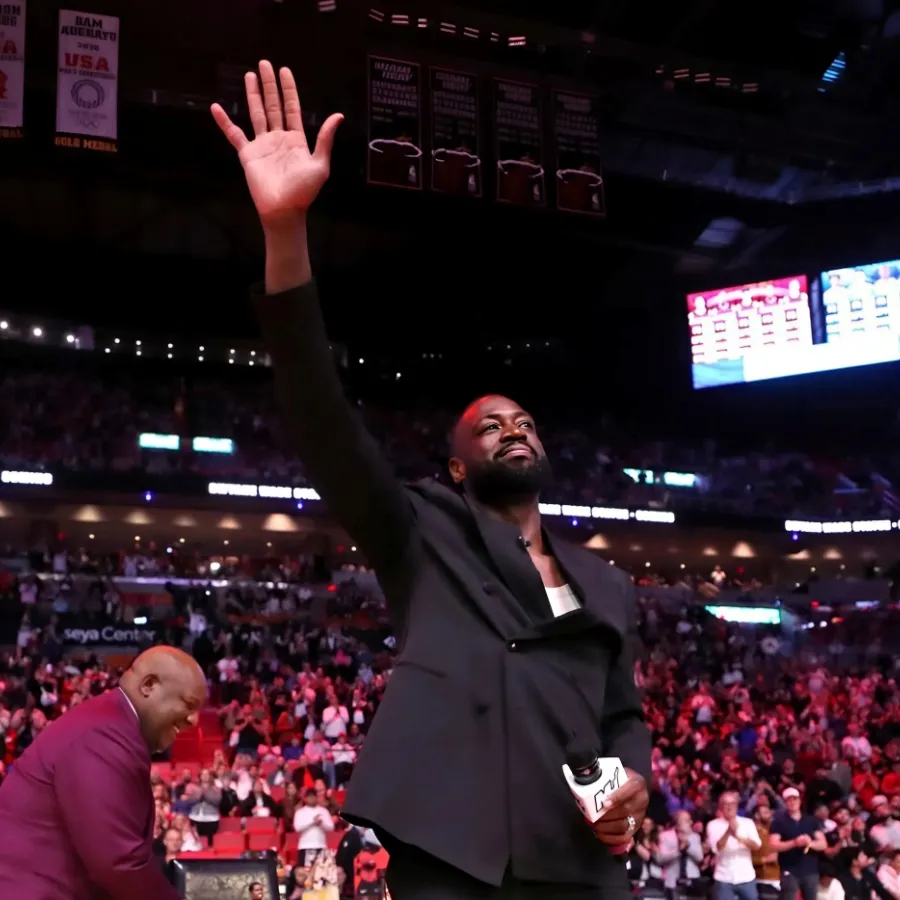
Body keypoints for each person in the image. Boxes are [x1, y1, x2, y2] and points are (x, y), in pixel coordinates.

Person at [211, 61, 651, 899]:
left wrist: (631, 782)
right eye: (489, 424)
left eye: (523, 421)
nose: (512, 428)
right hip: (454, 849)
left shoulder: (607, 584)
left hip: (578, 857)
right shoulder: (421, 532)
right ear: (455, 466)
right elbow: (321, 419)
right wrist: (285, 233)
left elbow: (621, 715)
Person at [0, 646, 207, 899]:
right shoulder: (104, 735)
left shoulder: (108, 724)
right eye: (188, 704)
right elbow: (118, 865)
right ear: (149, 685)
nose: (195, 720)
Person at [769, 787, 827, 900]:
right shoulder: (779, 822)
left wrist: (809, 843)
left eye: (794, 799)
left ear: (800, 801)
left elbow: (823, 844)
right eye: (788, 800)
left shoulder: (811, 821)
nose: (792, 802)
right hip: (789, 870)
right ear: (785, 803)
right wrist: (794, 843)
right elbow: (772, 845)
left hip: (810, 870)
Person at [706, 791, 763, 900]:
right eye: (725, 804)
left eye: (732, 803)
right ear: (720, 807)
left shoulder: (748, 823)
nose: (729, 807)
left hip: (746, 877)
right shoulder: (713, 825)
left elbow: (756, 846)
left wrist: (738, 836)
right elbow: (717, 848)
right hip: (723, 878)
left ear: (736, 806)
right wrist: (728, 831)